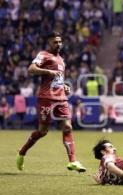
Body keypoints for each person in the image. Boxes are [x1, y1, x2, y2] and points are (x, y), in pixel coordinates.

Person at [16, 31, 86, 172]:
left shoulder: (61, 60)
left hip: (61, 98)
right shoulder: (44, 55)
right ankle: (22, 152)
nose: (58, 44)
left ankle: (73, 161)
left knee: (68, 127)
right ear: (49, 43)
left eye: (60, 42)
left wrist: (64, 86)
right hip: (46, 98)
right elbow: (31, 69)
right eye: (55, 42)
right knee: (43, 131)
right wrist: (48, 72)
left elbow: (57, 79)